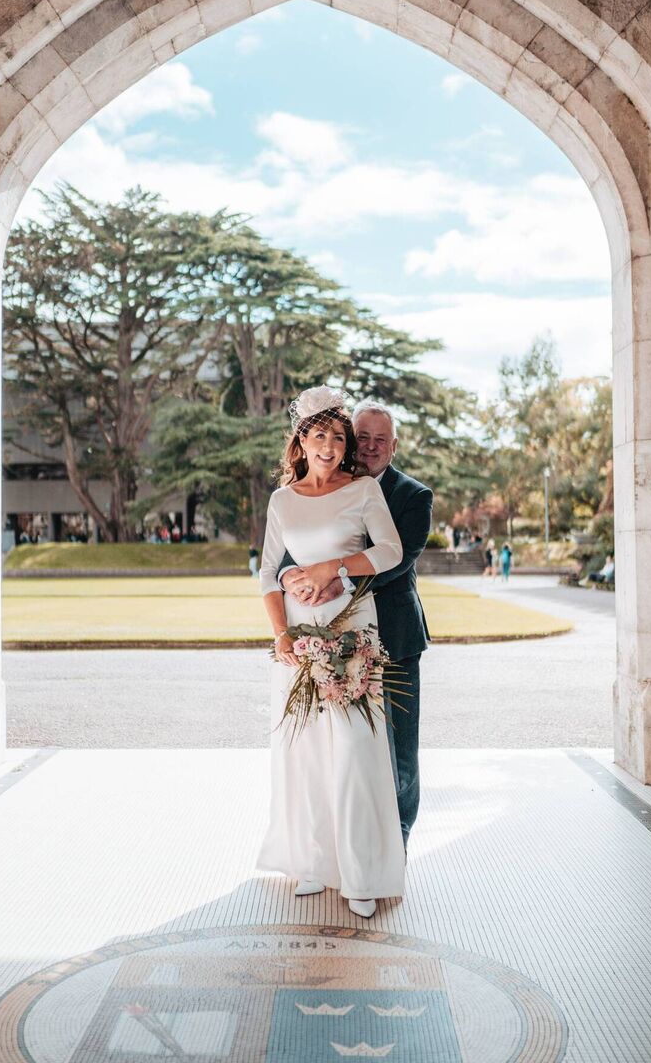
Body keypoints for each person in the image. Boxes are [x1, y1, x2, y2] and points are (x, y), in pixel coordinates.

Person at [258, 386, 406, 919]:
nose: (329, 445)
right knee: (307, 751)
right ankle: (314, 864)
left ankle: (362, 874)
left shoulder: (364, 491)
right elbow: (267, 571)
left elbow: (390, 550)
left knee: (354, 750)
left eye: (338, 437)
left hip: (351, 627)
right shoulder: (282, 500)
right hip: (299, 635)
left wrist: (333, 569)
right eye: (318, 435)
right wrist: (280, 636)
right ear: (301, 440)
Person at [281, 398, 432, 855]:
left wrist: (336, 579)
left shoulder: (413, 495)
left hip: (396, 634)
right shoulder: (327, 487)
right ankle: (348, 841)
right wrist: (291, 575)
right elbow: (297, 544)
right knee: (349, 746)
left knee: (399, 750)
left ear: (394, 446)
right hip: (335, 635)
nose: (369, 447)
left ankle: (398, 841)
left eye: (379, 439)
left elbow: (398, 561)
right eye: (361, 437)